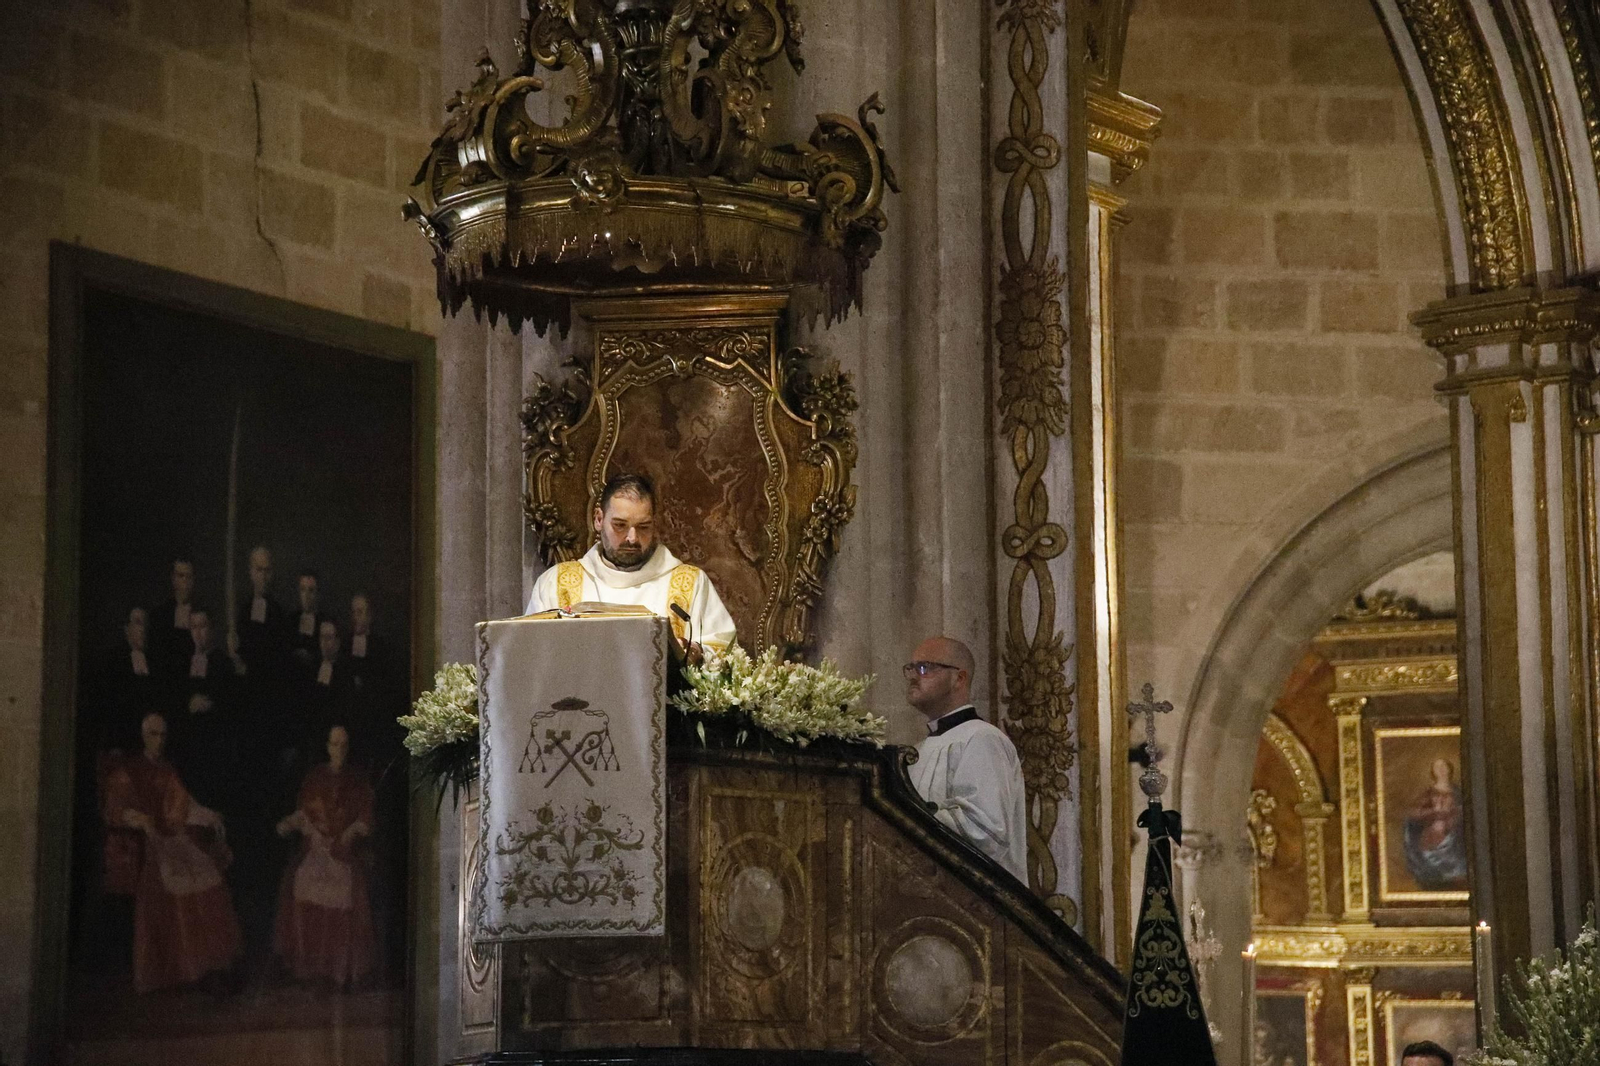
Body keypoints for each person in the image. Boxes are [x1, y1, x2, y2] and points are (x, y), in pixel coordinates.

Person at [102, 712, 243, 993]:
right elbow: (115, 809)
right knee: (175, 878)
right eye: (154, 735)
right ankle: (180, 967)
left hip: (173, 836)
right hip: (151, 842)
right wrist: (139, 819)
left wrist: (209, 815)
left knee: (207, 872)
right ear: (144, 736)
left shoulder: (167, 769)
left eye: (163, 735)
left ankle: (206, 963)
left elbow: (185, 806)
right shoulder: (127, 771)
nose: (159, 741)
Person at [523, 473, 738, 653]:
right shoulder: (556, 584)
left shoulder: (690, 584)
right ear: (599, 519)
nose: (632, 538)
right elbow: (531, 652)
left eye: (643, 527)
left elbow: (724, 653)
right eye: (620, 525)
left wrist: (694, 652)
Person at [904, 636, 1028, 882]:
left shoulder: (982, 738)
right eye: (911, 668)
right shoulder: (919, 749)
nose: (913, 676)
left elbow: (986, 831)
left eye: (924, 668)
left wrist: (904, 816)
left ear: (958, 678)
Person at [273, 725, 376, 986]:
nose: (338, 749)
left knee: (343, 888)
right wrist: (289, 824)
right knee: (302, 881)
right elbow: (303, 815)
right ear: (327, 746)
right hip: (316, 848)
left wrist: (350, 833)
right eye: (334, 744)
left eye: (343, 744)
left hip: (344, 851)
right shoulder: (314, 778)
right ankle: (310, 967)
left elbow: (365, 820)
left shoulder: (358, 781)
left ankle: (338, 970)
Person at [1402, 756, 1468, 889]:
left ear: (1449, 769)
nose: (1441, 770)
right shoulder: (1428, 793)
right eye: (1438, 768)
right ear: (1433, 772)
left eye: (1444, 767)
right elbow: (1415, 814)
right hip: (1434, 836)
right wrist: (1436, 813)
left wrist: (1456, 813)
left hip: (1456, 836)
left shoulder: (1458, 792)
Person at [153, 558, 198, 672]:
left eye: (189, 576)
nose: (185, 581)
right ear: (173, 579)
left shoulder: (202, 613)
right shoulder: (160, 615)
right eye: (181, 576)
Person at [290, 570, 328, 666]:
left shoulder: (325, 623)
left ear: (318, 594)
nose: (306, 596)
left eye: (311, 590)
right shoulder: (291, 620)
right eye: (303, 589)